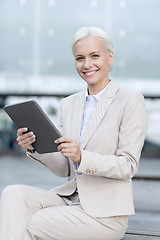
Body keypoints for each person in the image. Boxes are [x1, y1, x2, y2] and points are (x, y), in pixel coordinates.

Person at [0, 27, 147, 240]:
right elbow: (64, 169)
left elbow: (128, 166)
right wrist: (34, 147)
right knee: (13, 194)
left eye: (94, 56)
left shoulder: (130, 101)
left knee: (24, 221)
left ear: (109, 57)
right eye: (80, 58)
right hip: (69, 199)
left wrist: (81, 156)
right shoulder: (68, 104)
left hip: (105, 215)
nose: (87, 65)